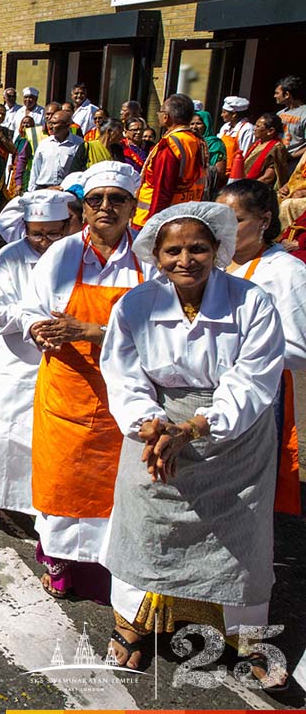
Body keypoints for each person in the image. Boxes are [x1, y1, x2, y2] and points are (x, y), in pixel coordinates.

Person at [99, 202, 285, 688]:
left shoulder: (252, 301)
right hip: (154, 430)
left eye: (198, 248)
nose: (186, 260)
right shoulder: (136, 305)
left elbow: (254, 378)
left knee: (240, 535)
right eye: (173, 251)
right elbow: (122, 373)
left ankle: (250, 639)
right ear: (156, 255)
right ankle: (131, 626)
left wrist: (196, 428)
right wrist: (150, 425)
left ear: (217, 249)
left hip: (235, 435)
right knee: (145, 526)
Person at [21, 160, 152, 602]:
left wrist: (92, 331)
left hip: (125, 394)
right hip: (66, 388)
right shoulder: (62, 254)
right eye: (96, 200)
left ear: (132, 206)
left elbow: (160, 329)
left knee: (113, 487)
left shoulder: (149, 259)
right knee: (60, 481)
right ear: (85, 207)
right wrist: (38, 328)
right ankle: (58, 561)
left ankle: (110, 568)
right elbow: (31, 307)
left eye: (117, 199)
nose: (105, 207)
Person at [0, 190, 75, 525]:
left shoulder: (74, 255)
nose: (43, 241)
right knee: (3, 428)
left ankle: (39, 504)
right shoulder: (9, 257)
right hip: (15, 360)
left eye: (52, 233)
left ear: (67, 227)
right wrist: (34, 321)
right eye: (36, 233)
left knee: (46, 435)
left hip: (59, 359)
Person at [218, 180, 304, 516]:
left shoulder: (286, 271)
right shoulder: (210, 262)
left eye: (236, 220)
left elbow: (299, 346)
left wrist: (236, 350)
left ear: (265, 220)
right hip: (206, 390)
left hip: (260, 397)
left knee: (247, 491)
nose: (224, 229)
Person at [132, 94, 206, 227]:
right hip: (186, 215)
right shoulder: (197, 141)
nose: (158, 115)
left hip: (152, 220)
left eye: (160, 111)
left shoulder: (170, 145)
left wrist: (153, 226)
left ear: (166, 117)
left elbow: (163, 191)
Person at [29, 109, 86, 189]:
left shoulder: (79, 143)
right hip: (43, 189)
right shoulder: (44, 144)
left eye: (54, 123)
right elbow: (35, 169)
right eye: (50, 123)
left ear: (66, 125)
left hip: (67, 189)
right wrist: (32, 190)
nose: (50, 126)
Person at [229, 113, 289, 187]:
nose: (254, 129)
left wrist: (249, 186)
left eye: (258, 126)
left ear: (270, 131)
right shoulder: (258, 143)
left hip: (257, 188)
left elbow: (268, 177)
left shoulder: (277, 147)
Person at [189, 111, 228, 199]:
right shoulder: (188, 142)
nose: (194, 127)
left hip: (206, 190)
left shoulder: (216, 144)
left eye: (198, 123)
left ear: (206, 125)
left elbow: (220, 172)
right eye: (192, 124)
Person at [274, 74, 306, 173]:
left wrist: (291, 156)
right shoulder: (280, 114)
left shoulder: (304, 114)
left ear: (287, 94)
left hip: (295, 166)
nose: (275, 96)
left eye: (277, 93)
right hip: (277, 164)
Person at [218, 96, 254, 167]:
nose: (221, 115)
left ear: (234, 114)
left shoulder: (247, 129)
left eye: (224, 112)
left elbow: (244, 154)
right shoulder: (225, 127)